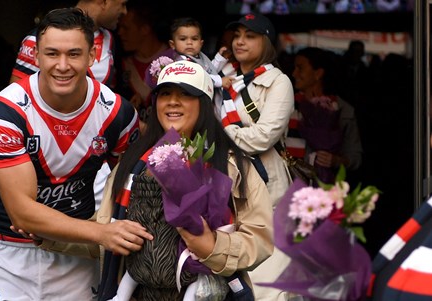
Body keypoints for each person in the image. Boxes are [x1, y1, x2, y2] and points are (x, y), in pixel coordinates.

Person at [0, 8, 153, 301]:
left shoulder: (118, 114)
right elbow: (23, 213)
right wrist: (102, 233)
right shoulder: (7, 110)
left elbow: (132, 187)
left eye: (74, 54)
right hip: (8, 258)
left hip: (78, 260)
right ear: (37, 56)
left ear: (92, 56)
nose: (62, 65)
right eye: (52, 54)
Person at [102, 60, 274, 300]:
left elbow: (260, 239)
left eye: (186, 94)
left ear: (204, 103)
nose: (173, 101)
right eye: (165, 94)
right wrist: (51, 236)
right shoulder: (132, 162)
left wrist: (212, 247)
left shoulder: (234, 165)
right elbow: (100, 231)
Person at [0, 0, 128, 214]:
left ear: (91, 54)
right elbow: (12, 106)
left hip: (87, 149)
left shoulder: (110, 40)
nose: (124, 11)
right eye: (121, 4)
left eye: (74, 54)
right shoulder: (43, 37)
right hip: (42, 148)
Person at [217, 12, 295, 301]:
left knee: (267, 280)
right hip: (225, 181)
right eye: (237, 35)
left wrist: (222, 135)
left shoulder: (279, 82)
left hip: (266, 179)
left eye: (250, 36)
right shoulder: (225, 80)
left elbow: (264, 136)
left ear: (266, 42)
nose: (240, 42)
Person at [289, 47, 363, 184]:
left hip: (327, 189)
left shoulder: (342, 110)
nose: (294, 73)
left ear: (318, 73)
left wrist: (336, 161)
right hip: (288, 186)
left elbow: (355, 156)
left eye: (300, 68)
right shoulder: (286, 106)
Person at [115, 0, 170, 128]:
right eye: (119, 27)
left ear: (145, 29)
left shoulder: (176, 60)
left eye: (126, 28)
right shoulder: (121, 66)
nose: (120, 33)